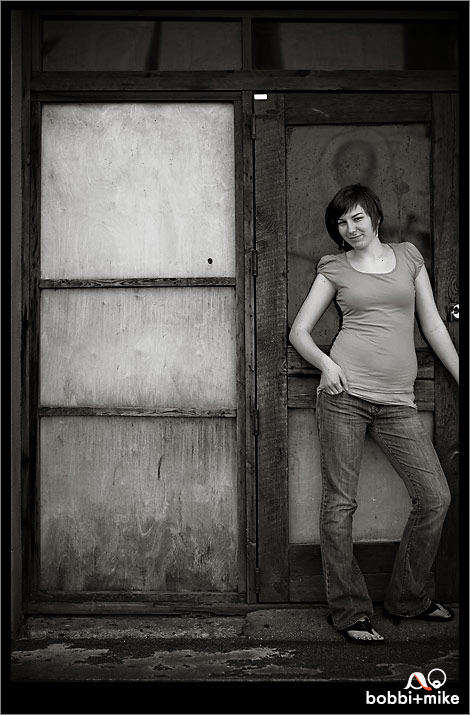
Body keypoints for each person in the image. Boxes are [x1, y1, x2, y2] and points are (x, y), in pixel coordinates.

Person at [289, 184, 459, 643]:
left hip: (398, 402)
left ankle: (408, 598)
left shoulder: (409, 258)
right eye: (342, 222)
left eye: (357, 217)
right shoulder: (334, 267)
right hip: (344, 396)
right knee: (340, 504)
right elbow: (299, 331)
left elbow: (432, 324)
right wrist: (326, 366)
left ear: (375, 217)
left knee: (435, 497)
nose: (350, 227)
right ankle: (348, 611)